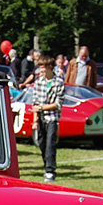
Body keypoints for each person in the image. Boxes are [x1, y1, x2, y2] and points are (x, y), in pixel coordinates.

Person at [29, 54, 66, 182]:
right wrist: (35, 120)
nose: (41, 70)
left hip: (52, 118)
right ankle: (46, 164)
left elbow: (57, 104)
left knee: (51, 144)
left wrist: (42, 108)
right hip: (40, 118)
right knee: (41, 143)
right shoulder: (38, 82)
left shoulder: (59, 82)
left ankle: (50, 170)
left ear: (50, 67)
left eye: (43, 67)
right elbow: (35, 103)